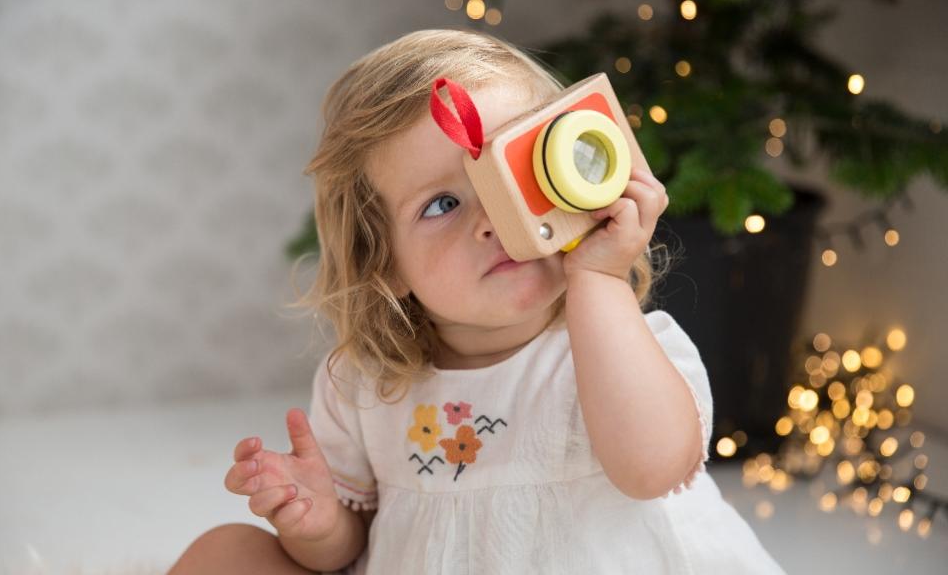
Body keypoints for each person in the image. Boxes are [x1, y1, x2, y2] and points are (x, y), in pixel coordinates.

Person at [169, 28, 787, 575]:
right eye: (443, 205)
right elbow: (350, 546)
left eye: (513, 178)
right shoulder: (368, 384)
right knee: (226, 554)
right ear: (384, 262)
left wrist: (599, 278)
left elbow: (654, 471)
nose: (494, 220)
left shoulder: (626, 346)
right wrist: (318, 522)